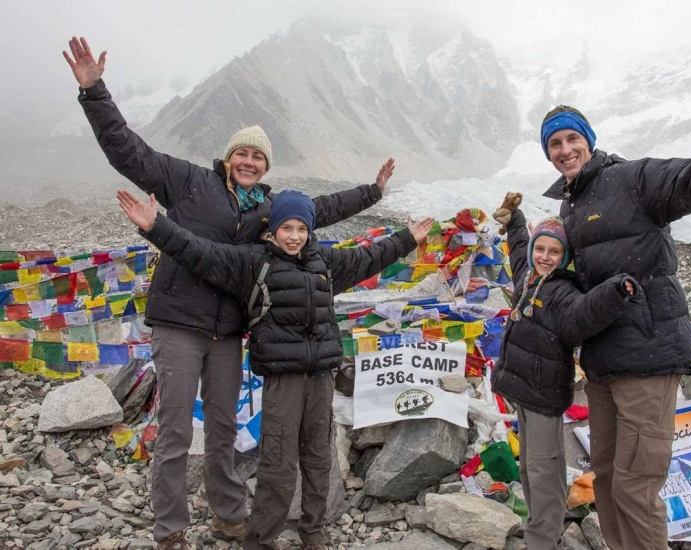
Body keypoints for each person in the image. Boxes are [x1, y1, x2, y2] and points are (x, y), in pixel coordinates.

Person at [63, 36, 397, 548]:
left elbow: (318, 210)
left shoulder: (268, 207)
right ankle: (170, 529)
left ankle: (227, 513)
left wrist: (372, 193)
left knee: (222, 429)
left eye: (258, 157)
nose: (249, 162)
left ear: (266, 166)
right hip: (179, 323)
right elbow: (128, 150)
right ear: (227, 157)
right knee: (175, 431)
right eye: (241, 153)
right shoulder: (188, 181)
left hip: (227, 332)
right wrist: (94, 92)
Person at [539, 82, 691, 550]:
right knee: (610, 479)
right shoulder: (570, 204)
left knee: (637, 485)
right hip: (603, 363)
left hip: (648, 359)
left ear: (588, 140)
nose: (565, 149)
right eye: (554, 143)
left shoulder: (633, 178)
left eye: (572, 138)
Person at [117, 188, 433, 550]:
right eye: (287, 227)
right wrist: (156, 226)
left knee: (318, 456)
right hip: (283, 379)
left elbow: (370, 257)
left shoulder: (325, 263)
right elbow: (200, 252)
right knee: (279, 463)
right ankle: (261, 539)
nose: (294, 236)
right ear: (273, 230)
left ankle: (312, 531)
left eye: (302, 228)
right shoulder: (252, 263)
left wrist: (408, 238)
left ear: (310, 231)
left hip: (320, 376)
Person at [490, 193, 639, 549]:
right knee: (528, 466)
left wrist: (616, 292)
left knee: (544, 470)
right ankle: (537, 528)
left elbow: (584, 315)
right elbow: (518, 246)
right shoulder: (527, 276)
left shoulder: (563, 293)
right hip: (522, 389)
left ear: (565, 256)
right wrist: (513, 219)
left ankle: (543, 540)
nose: (544, 256)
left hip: (543, 394)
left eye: (553, 252)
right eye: (540, 249)